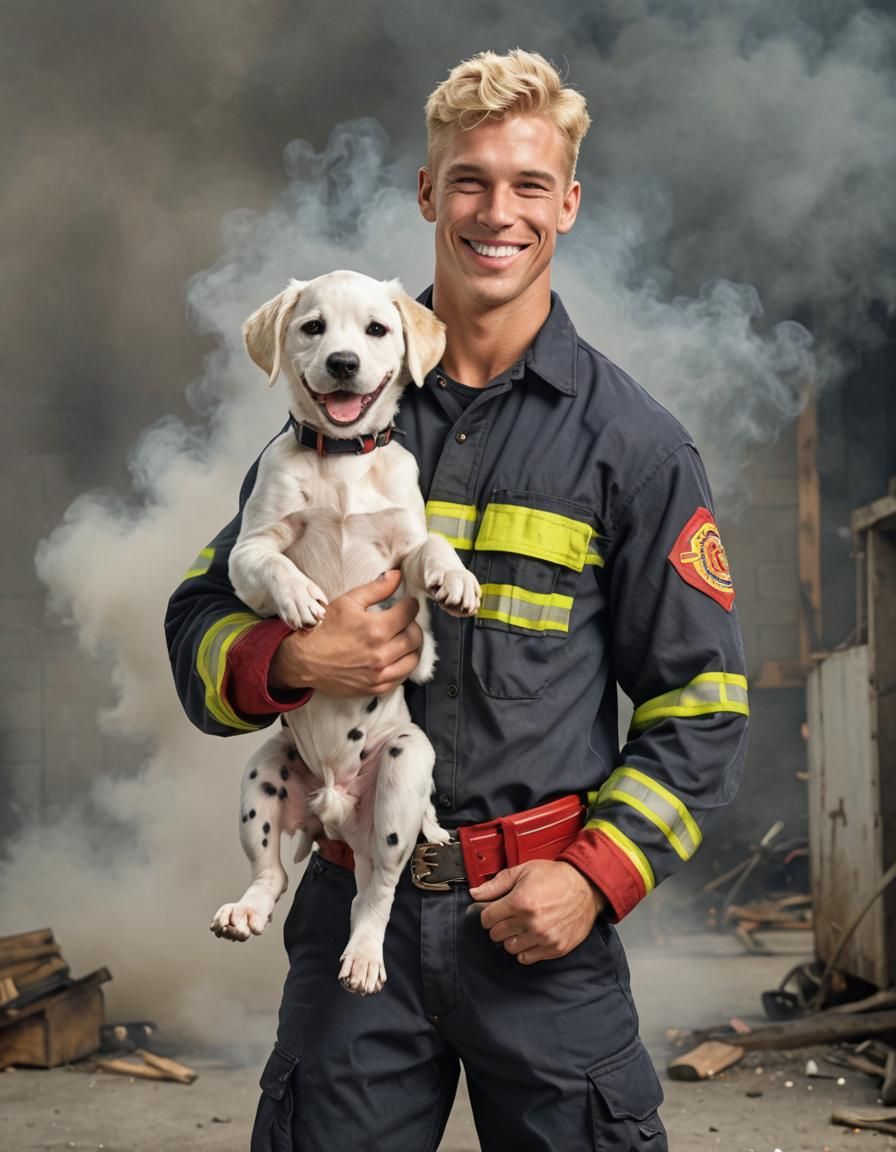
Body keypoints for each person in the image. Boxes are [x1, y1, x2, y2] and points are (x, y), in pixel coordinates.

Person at [166, 49, 748, 1152]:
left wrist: (594, 881)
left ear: (566, 204)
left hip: (541, 934)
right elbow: (195, 622)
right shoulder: (334, 403)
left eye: (529, 185)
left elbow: (701, 702)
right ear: (427, 194)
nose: (496, 211)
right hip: (351, 919)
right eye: (468, 180)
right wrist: (291, 662)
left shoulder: (633, 447)